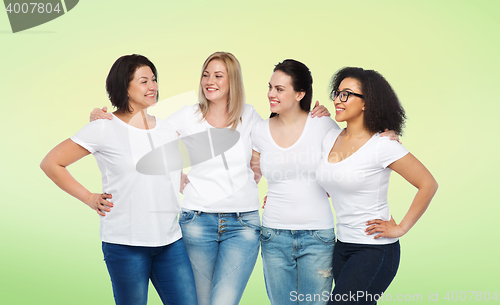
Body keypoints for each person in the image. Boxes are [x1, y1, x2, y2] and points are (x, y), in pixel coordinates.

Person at [89, 52, 331, 305]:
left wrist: (290, 184)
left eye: (218, 75)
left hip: (243, 225)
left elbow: (275, 148)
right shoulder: (187, 116)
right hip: (196, 222)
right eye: (205, 75)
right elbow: (145, 136)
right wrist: (104, 120)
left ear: (232, 82)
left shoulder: (249, 117)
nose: (209, 81)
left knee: (223, 302)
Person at [40, 54, 198, 305]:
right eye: (144, 81)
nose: (153, 86)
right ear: (124, 86)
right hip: (126, 243)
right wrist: (90, 198)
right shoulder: (104, 127)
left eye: (154, 80)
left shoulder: (167, 129)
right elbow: (51, 163)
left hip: (170, 240)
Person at [315, 67, 438, 305]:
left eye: (346, 94)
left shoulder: (383, 145)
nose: (337, 100)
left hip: (374, 250)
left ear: (366, 103)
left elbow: (428, 184)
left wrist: (402, 227)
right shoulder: (330, 138)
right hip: (342, 246)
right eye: (337, 92)